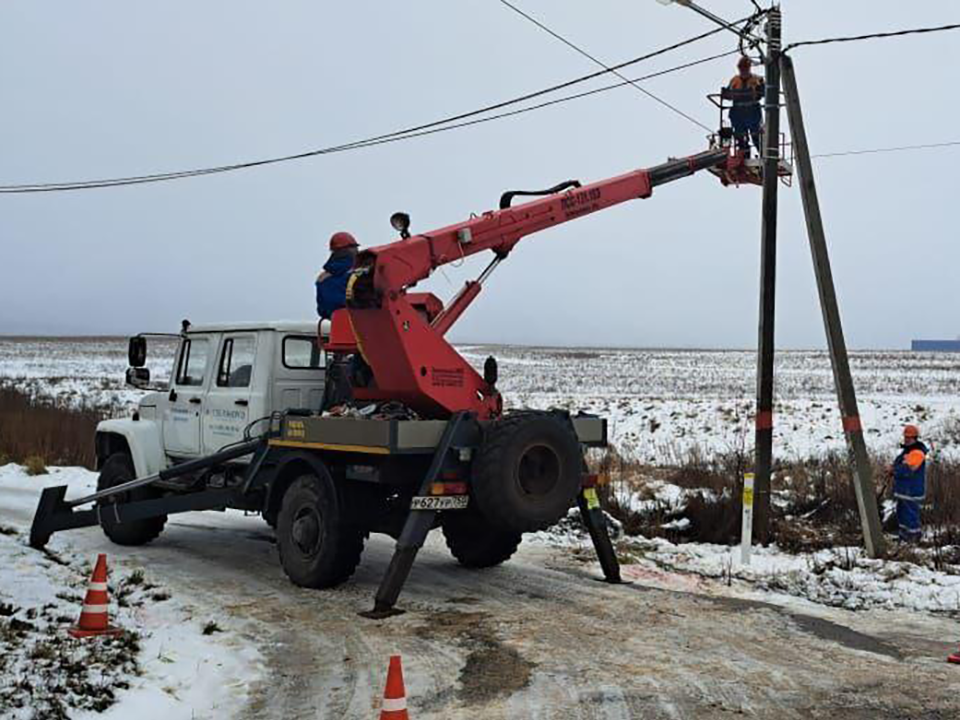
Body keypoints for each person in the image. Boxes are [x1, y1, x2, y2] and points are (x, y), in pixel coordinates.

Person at [892, 424, 928, 543]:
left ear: (915, 438)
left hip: (911, 491)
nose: (906, 439)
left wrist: (893, 470)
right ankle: (904, 537)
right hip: (904, 490)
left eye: (909, 437)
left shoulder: (917, 452)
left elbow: (909, 469)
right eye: (906, 437)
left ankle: (913, 539)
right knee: (902, 514)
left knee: (910, 516)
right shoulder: (908, 451)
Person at [726, 56, 764, 155]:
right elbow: (727, 95)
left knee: (756, 136)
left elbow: (764, 92)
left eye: (745, 67)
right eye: (741, 67)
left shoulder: (757, 80)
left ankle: (764, 155)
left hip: (752, 112)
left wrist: (758, 91)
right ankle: (744, 155)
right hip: (738, 113)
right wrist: (727, 93)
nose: (743, 70)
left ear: (749, 67)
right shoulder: (734, 81)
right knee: (740, 136)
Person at [316, 231, 359, 320]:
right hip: (357, 321)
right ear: (349, 249)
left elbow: (322, 310)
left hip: (336, 323)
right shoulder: (357, 271)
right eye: (354, 248)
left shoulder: (322, 278)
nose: (357, 250)